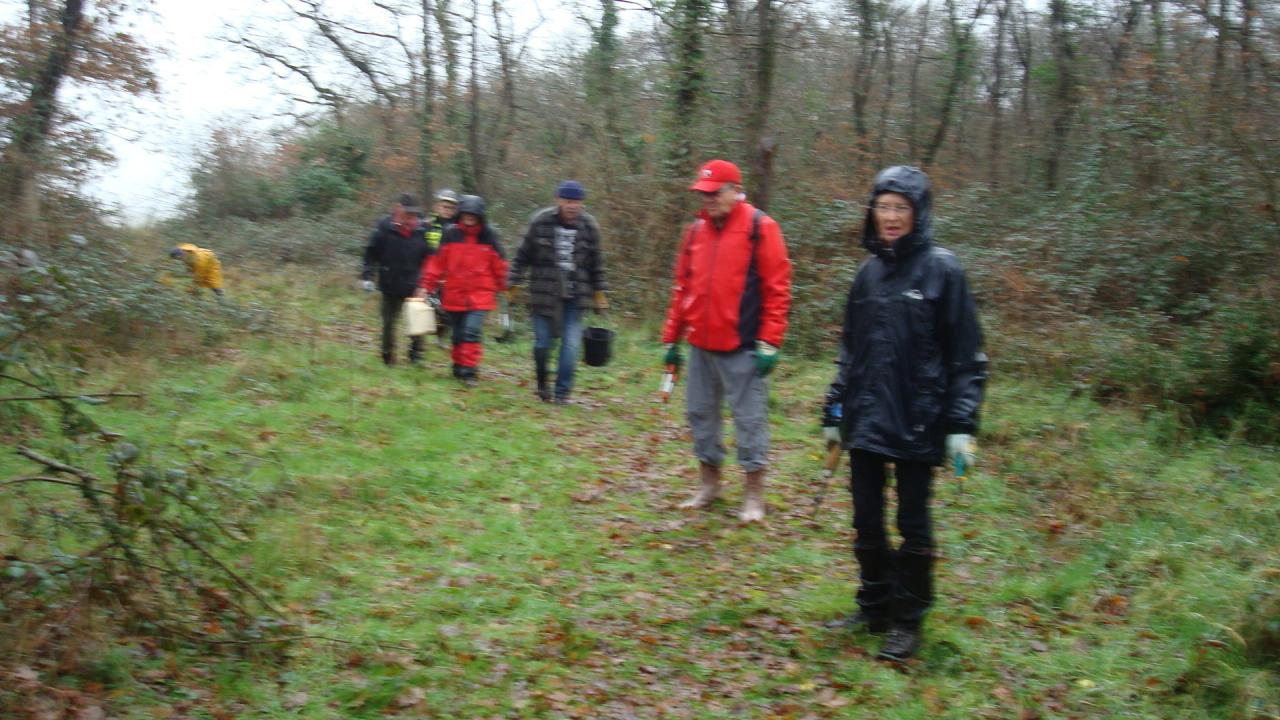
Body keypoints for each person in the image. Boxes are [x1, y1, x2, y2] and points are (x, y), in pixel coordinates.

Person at [822, 165, 988, 661]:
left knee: (913, 522)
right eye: (883, 206)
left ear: (918, 213)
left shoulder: (944, 269)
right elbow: (849, 352)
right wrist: (834, 410)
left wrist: (962, 425)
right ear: (871, 212)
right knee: (866, 519)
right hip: (867, 417)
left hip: (920, 417)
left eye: (901, 208)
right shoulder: (867, 275)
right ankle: (874, 604)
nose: (891, 217)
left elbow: (967, 356)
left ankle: (908, 620)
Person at [660, 159, 792, 523]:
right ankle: (710, 485)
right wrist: (672, 339)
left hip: (744, 346)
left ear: (735, 190)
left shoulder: (760, 227)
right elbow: (681, 287)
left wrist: (770, 341)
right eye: (703, 194)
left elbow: (777, 289)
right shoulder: (694, 232)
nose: (708, 200)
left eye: (715, 193)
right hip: (701, 344)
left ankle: (753, 495)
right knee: (700, 415)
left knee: (749, 420)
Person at [508, 180, 609, 404]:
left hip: (576, 295)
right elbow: (521, 256)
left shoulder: (589, 226)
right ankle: (543, 382)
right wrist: (513, 284)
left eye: (576, 202)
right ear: (558, 201)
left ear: (582, 203)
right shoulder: (540, 221)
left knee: (571, 345)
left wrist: (599, 292)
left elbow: (597, 264)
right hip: (543, 293)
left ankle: (562, 394)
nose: (572, 206)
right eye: (568, 201)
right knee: (542, 344)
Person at [417, 194, 507, 387]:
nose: (469, 218)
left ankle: (469, 370)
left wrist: (505, 286)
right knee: (457, 334)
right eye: (466, 214)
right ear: (461, 215)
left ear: (479, 216)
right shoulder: (450, 234)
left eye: (472, 215)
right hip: (454, 293)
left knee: (471, 331)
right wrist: (426, 286)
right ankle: (458, 366)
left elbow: (499, 264)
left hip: (480, 294)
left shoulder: (489, 236)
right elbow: (437, 263)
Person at [361, 193, 432, 366]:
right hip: (389, 282)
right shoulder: (384, 227)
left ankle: (416, 355)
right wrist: (367, 276)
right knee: (388, 323)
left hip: (415, 284)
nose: (411, 217)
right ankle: (388, 355)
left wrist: (426, 283)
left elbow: (430, 258)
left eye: (414, 214)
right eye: (408, 213)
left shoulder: (423, 230)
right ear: (397, 209)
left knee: (418, 321)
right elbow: (371, 253)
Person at [426, 189, 460, 344]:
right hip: (429, 272)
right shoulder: (427, 225)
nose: (448, 210)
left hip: (450, 275)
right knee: (431, 306)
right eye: (445, 207)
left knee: (448, 308)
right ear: (437, 206)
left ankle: (441, 338)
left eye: (451, 208)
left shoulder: (459, 228)